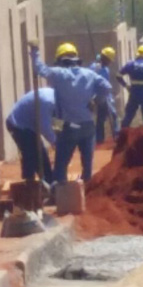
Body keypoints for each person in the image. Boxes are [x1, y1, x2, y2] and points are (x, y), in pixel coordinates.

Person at [29, 42, 111, 182]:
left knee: (61, 166)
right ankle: (87, 195)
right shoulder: (89, 74)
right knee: (87, 167)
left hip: (67, 127)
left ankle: (60, 195)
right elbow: (107, 87)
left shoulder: (59, 73)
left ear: (61, 60)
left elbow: (39, 68)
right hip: (88, 127)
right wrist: (95, 101)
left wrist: (34, 50)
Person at [6, 88, 56, 185]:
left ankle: (29, 180)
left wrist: (58, 134)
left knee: (30, 152)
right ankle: (44, 183)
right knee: (38, 154)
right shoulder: (47, 102)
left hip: (28, 124)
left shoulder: (54, 97)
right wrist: (55, 141)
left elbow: (55, 120)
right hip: (17, 124)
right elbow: (44, 126)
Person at [116, 45, 143, 128]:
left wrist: (126, 85)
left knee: (129, 114)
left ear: (137, 54)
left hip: (134, 92)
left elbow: (118, 75)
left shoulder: (130, 64)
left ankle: (122, 134)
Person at [89, 46, 119, 143]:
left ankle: (100, 138)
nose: (110, 62)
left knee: (101, 118)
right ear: (105, 58)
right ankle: (117, 135)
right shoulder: (96, 67)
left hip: (104, 94)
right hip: (100, 95)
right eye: (109, 60)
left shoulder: (104, 68)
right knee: (113, 115)